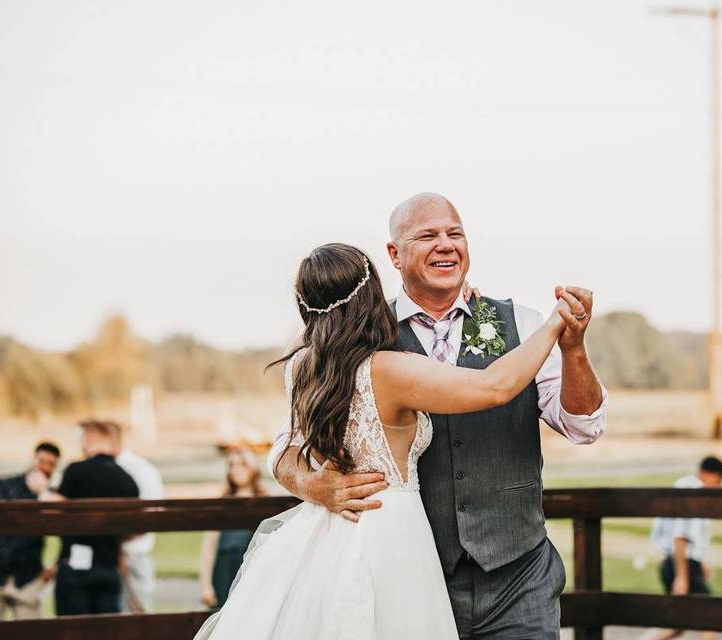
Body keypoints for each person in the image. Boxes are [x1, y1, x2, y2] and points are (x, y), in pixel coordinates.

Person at [194, 240, 600, 640]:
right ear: (373, 288)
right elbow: (495, 385)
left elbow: (283, 446)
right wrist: (554, 325)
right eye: (427, 236)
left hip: (330, 538)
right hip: (393, 537)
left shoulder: (301, 365)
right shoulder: (388, 367)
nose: (443, 244)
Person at [640, 456, 722, 640]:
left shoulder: (684, 485)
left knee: (676, 625)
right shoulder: (694, 492)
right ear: (708, 474)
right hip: (683, 565)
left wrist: (701, 560)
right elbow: (680, 535)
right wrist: (682, 576)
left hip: (678, 562)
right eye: (719, 479)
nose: (720, 485)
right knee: (710, 619)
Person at [53, 419, 140, 616]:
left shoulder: (75, 471)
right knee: (105, 629)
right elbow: (137, 528)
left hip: (75, 566)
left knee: (71, 628)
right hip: (109, 566)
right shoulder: (127, 479)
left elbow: (55, 514)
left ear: (90, 440)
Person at [0, 441, 61, 621]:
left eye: (51, 464)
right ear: (33, 460)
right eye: (42, 460)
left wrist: (54, 569)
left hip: (28, 580)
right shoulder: (3, 486)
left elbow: (68, 529)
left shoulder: (48, 497)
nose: (45, 467)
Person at [199, 450, 264, 610]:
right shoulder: (222, 503)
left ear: (252, 469)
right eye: (232, 465)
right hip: (224, 568)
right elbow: (209, 546)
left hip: (251, 569)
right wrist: (206, 585)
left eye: (242, 464)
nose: (236, 469)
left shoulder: (264, 501)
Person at [110, 421, 165, 613]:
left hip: (133, 555)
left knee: (138, 617)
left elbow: (152, 516)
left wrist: (117, 540)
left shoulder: (141, 470)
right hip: (109, 559)